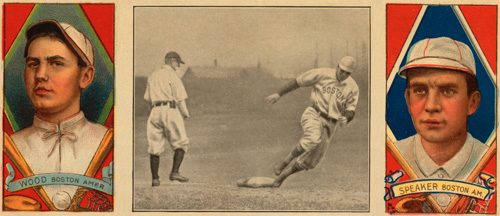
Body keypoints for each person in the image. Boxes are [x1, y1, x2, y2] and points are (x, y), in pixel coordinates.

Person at [9, 19, 112, 210]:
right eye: (33, 64)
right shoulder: (7, 146)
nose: (40, 75)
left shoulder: (110, 142)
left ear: (85, 76)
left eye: (56, 63)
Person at [396, 37, 488, 210]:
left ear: (472, 103)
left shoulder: (491, 161)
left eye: (447, 91)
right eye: (420, 90)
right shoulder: (391, 157)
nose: (431, 106)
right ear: (408, 100)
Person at [265, 56, 359, 187]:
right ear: (338, 66)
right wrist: (279, 94)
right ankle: (284, 162)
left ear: (351, 73)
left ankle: (280, 179)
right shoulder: (322, 73)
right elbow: (298, 82)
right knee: (313, 138)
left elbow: (351, 108)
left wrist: (347, 117)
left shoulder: (352, 87)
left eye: (347, 72)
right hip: (314, 114)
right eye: (342, 70)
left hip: (331, 123)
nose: (343, 74)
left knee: (312, 160)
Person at [144, 51, 191, 187]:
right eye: (177, 62)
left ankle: (155, 179)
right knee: (182, 142)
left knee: (154, 146)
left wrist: (153, 112)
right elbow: (180, 99)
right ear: (171, 61)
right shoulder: (173, 76)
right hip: (170, 110)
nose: (178, 66)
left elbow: (148, 99)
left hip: (154, 111)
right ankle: (175, 172)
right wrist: (185, 114)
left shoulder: (153, 76)